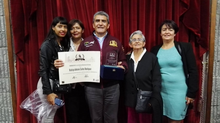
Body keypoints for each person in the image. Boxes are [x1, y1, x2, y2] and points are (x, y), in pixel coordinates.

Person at [77, 11, 128, 123]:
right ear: (93, 25)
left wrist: (123, 67)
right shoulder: (85, 43)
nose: (100, 23)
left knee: (112, 119)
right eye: (97, 21)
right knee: (95, 119)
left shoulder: (116, 42)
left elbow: (123, 61)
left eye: (103, 21)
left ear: (108, 25)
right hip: (92, 88)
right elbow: (77, 63)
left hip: (112, 87)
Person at [150, 20, 198, 123]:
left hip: (178, 93)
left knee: (175, 120)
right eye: (164, 29)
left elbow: (193, 70)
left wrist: (191, 93)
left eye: (170, 29)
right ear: (160, 33)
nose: (167, 32)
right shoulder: (154, 50)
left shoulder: (184, 47)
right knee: (161, 119)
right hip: (160, 92)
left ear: (175, 33)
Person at [54, 19, 91, 123]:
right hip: (70, 86)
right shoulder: (64, 44)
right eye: (72, 28)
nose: (75, 30)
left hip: (86, 85)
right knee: (72, 114)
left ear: (82, 30)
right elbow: (57, 60)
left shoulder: (89, 44)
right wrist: (56, 64)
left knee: (86, 114)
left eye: (78, 28)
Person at [124, 30, 163, 123]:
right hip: (130, 99)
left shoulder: (151, 58)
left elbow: (156, 79)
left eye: (139, 39)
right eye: (134, 40)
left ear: (144, 43)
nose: (137, 41)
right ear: (130, 44)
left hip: (146, 100)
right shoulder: (126, 59)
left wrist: (154, 98)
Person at [38, 16, 70, 122]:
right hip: (48, 83)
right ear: (53, 27)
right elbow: (43, 70)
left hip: (57, 84)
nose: (63, 29)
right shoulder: (47, 45)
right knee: (48, 116)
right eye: (59, 26)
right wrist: (48, 92)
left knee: (51, 113)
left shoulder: (63, 44)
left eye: (65, 27)